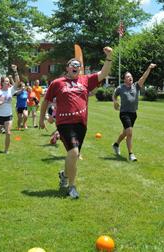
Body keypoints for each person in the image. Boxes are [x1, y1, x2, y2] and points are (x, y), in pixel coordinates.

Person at [39, 46, 113, 199]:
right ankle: (72, 187)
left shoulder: (85, 80)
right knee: (74, 153)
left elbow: (104, 73)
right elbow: (46, 101)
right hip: (65, 123)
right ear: (67, 68)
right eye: (72, 64)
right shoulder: (57, 83)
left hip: (81, 124)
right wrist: (41, 119)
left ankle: (64, 175)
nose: (76, 67)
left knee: (72, 155)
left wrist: (109, 57)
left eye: (78, 65)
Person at [112, 63, 157, 161]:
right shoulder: (120, 88)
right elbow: (114, 95)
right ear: (124, 79)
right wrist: (115, 102)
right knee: (129, 133)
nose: (130, 78)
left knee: (125, 132)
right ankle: (131, 154)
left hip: (133, 114)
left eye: (131, 76)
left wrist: (149, 68)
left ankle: (116, 145)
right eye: (128, 77)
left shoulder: (136, 86)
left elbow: (143, 77)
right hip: (124, 113)